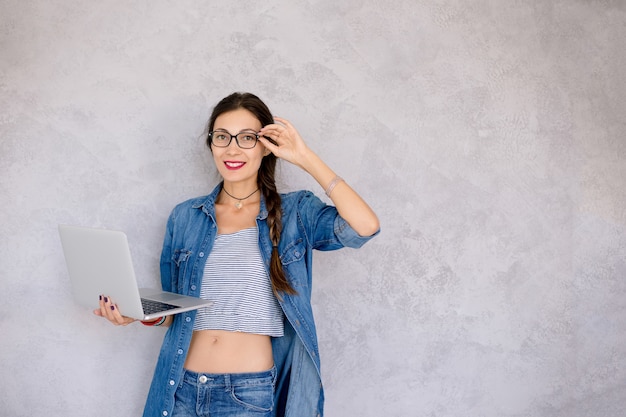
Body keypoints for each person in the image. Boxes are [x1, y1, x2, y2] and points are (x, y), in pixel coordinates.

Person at [94, 92, 380, 417]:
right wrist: (141, 313)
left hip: (247, 393)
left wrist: (304, 157)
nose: (232, 148)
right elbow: (177, 309)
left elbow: (364, 226)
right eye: (222, 137)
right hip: (180, 389)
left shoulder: (295, 212)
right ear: (211, 144)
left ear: (266, 145)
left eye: (247, 138)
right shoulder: (185, 216)